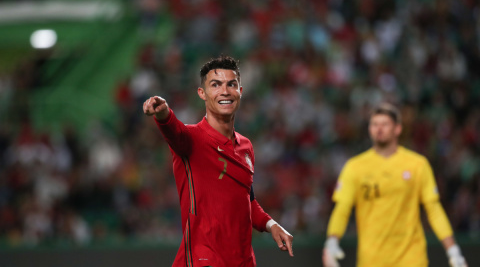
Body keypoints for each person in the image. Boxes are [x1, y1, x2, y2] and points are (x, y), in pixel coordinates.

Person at [143, 55, 293, 267]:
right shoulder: (191, 139)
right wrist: (163, 113)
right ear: (202, 93)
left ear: (240, 92)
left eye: (231, 84)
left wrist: (271, 225)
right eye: (216, 85)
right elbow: (173, 130)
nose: (225, 91)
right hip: (203, 260)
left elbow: (246, 200)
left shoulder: (246, 146)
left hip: (242, 261)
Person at [322, 103, 468, 267]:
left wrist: (453, 251)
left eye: (384, 124)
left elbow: (433, 209)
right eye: (374, 124)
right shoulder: (355, 167)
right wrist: (332, 242)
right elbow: (342, 209)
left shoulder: (417, 165)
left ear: (397, 129)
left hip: (411, 258)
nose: (379, 129)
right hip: (371, 260)